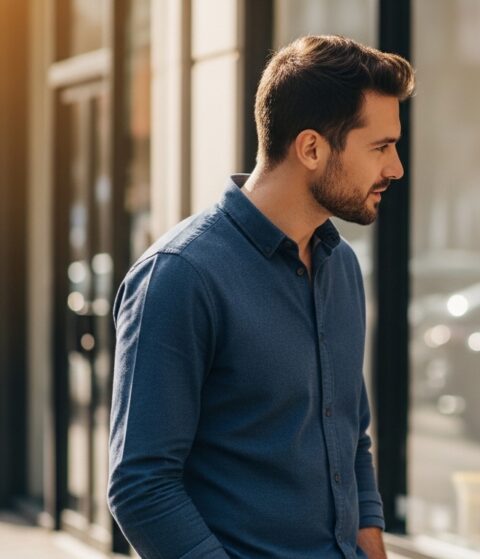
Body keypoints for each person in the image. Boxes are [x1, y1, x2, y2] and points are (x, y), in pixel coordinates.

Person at [107, 35, 413, 559]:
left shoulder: (342, 266)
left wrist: (371, 543)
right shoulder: (181, 275)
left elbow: (350, 435)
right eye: (380, 147)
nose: (396, 168)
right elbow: (142, 486)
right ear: (311, 148)